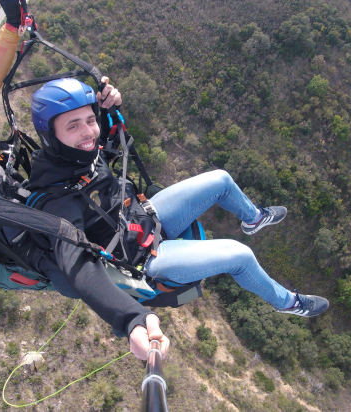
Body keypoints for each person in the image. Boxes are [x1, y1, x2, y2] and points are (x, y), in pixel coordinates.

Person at [24, 78, 330, 361]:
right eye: (73, 125)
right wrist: (132, 319)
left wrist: (107, 109)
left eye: (89, 120)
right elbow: (79, 269)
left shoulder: (78, 153)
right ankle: (287, 302)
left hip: (145, 218)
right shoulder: (56, 200)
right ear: (51, 134)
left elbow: (99, 137)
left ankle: (254, 219)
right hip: (145, 259)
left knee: (221, 180)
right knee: (241, 256)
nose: (88, 132)